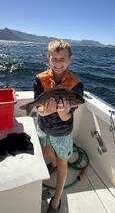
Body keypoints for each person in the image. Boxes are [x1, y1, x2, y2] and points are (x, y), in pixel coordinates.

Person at [33, 39, 83, 212]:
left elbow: (68, 114)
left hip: (62, 132)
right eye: (54, 58)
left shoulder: (76, 85)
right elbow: (39, 107)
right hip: (43, 126)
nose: (58, 63)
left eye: (62, 59)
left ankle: (56, 199)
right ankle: (52, 163)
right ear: (48, 58)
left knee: (63, 163)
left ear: (70, 59)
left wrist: (62, 113)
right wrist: (44, 111)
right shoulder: (40, 79)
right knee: (46, 150)